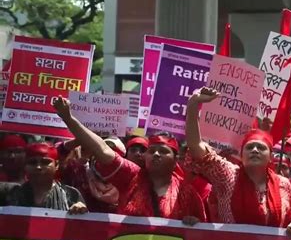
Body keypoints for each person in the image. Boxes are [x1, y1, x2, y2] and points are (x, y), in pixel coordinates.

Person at [53, 96, 206, 224]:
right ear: (145, 157)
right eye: (151, 151)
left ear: (175, 160)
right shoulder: (131, 175)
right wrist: (68, 118)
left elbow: (204, 233)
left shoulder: (187, 193)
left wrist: (193, 223)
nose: (156, 154)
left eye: (164, 151)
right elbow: (102, 149)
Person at [185, 87, 291, 235]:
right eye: (250, 147)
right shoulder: (227, 174)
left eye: (261, 148)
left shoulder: (283, 183)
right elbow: (196, 146)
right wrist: (193, 106)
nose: (255, 150)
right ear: (241, 155)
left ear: (270, 157)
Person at [0, 142, 87, 214]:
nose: (38, 167)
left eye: (45, 162)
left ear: (56, 165)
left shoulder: (71, 194)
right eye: (33, 162)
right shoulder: (10, 193)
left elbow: (83, 229)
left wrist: (81, 210)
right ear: (25, 166)